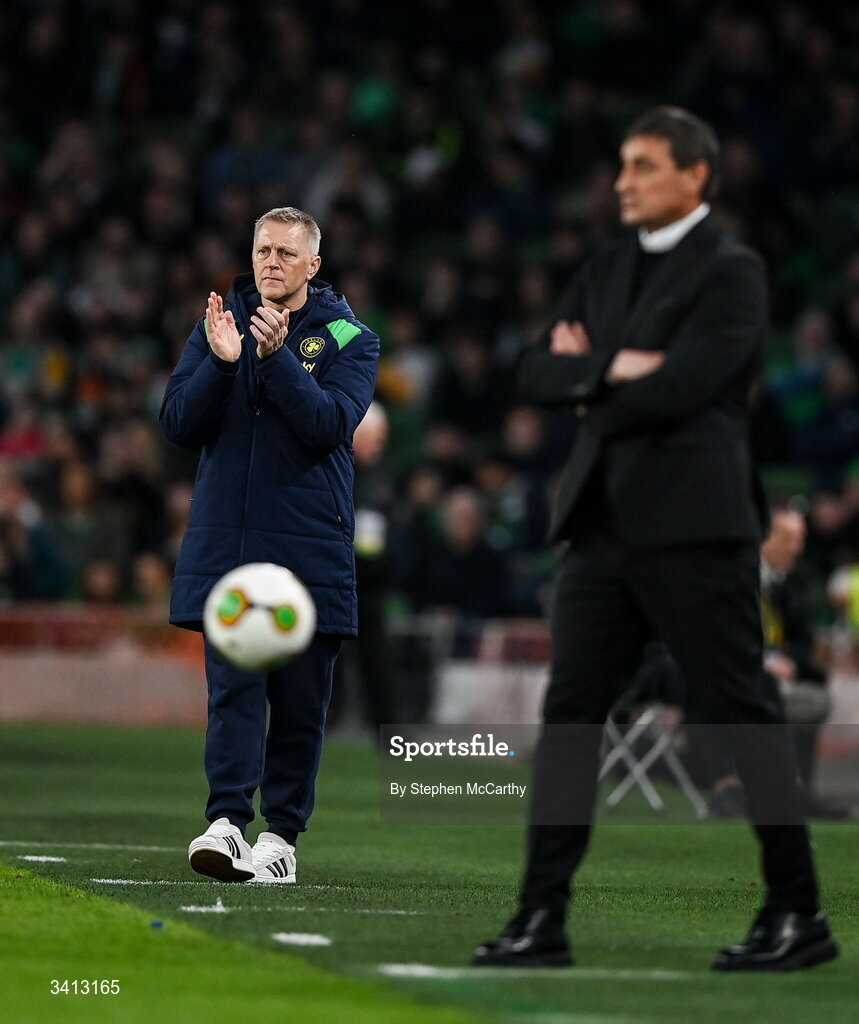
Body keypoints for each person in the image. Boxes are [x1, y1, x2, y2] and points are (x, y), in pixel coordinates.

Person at [473, 108, 838, 972]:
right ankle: (539, 918)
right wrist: (613, 368)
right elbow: (532, 370)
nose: (622, 181)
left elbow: (683, 388)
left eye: (642, 166)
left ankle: (796, 915)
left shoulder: (733, 271)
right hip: (601, 528)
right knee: (570, 721)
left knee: (742, 715)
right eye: (621, 165)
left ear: (695, 176)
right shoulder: (605, 264)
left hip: (694, 531)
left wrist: (590, 376)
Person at [160, 206, 379, 883]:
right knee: (232, 691)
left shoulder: (350, 339)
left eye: (286, 251)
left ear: (314, 265)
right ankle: (226, 824)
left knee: (300, 703)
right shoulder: (216, 326)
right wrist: (224, 365)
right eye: (262, 249)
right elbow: (177, 423)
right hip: (229, 550)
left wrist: (276, 359)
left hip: (309, 551)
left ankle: (280, 838)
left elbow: (327, 425)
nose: (271, 261)